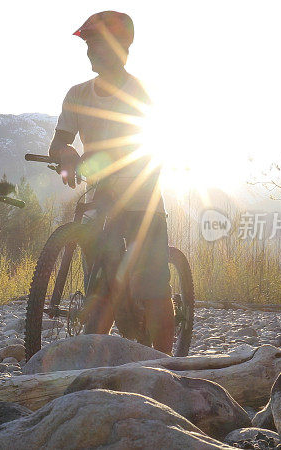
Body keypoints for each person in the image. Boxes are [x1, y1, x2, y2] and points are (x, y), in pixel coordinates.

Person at [48, 11, 175, 353]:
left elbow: (157, 143)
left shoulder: (140, 93)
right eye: (88, 45)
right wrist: (68, 155)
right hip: (102, 196)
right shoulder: (77, 95)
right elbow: (58, 142)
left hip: (141, 198)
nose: (91, 51)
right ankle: (93, 365)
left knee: (154, 288)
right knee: (101, 285)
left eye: (98, 44)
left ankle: (167, 368)